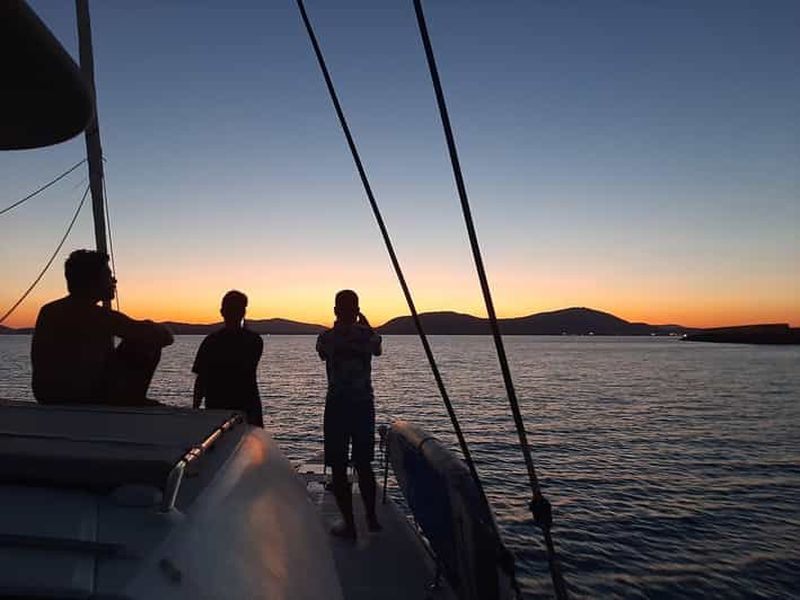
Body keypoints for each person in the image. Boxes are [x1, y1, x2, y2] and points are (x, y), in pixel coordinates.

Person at [31, 249, 173, 405]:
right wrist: (153, 326)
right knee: (145, 342)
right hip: (85, 397)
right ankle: (133, 401)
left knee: (142, 335)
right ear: (92, 280)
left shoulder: (49, 310)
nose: (114, 281)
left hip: (47, 395)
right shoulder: (100, 316)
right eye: (108, 275)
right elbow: (164, 337)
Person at [316, 289, 383, 540]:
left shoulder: (326, 338)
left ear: (335, 310)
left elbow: (322, 354)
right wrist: (365, 326)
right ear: (357, 310)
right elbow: (377, 349)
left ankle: (350, 526)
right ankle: (372, 518)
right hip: (363, 406)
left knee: (339, 466)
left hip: (337, 407)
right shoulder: (369, 337)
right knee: (364, 464)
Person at [192, 290, 264, 427]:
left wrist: (195, 409)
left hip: (217, 409)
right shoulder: (255, 340)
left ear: (222, 312)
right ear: (243, 312)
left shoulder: (211, 341)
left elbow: (201, 380)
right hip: (249, 410)